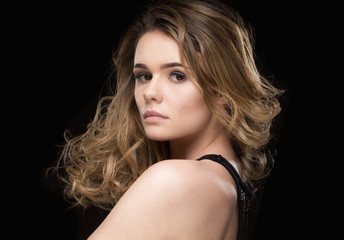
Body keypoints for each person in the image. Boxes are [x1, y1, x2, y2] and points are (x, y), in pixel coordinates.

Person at [53, 0, 283, 239]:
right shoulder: (228, 185)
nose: (150, 92)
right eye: (143, 75)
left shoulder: (175, 180)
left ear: (222, 89)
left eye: (177, 75)